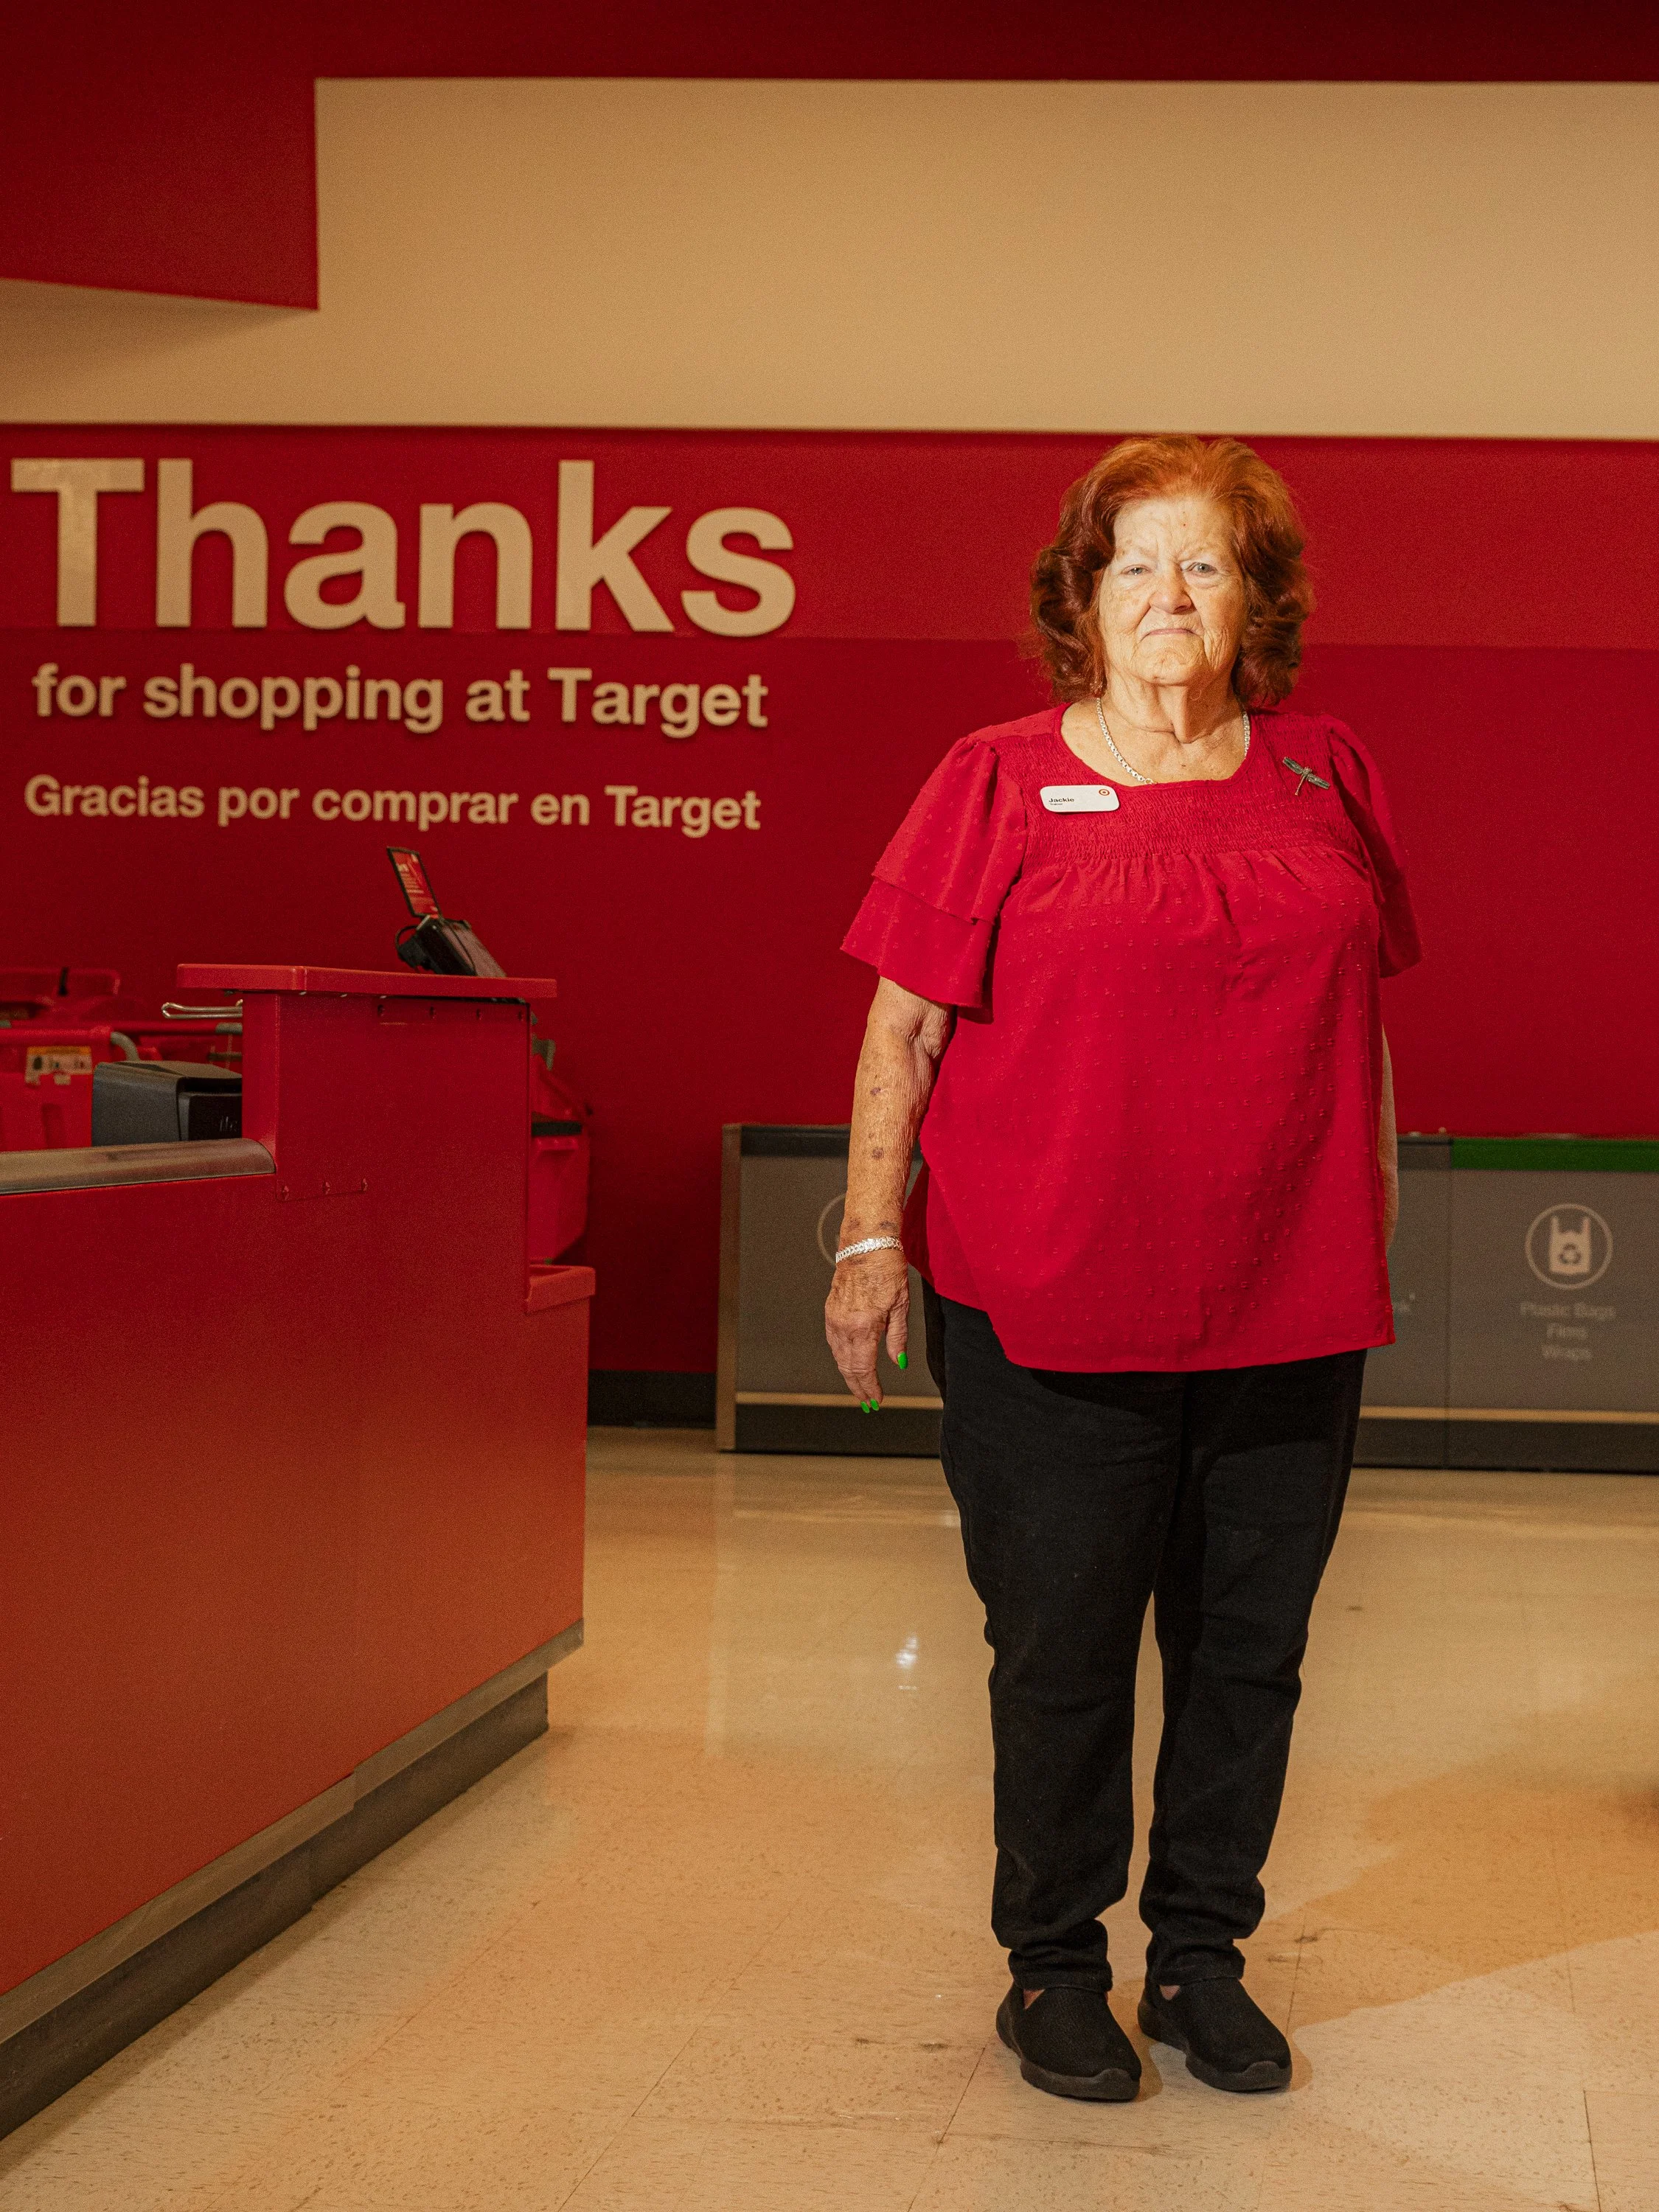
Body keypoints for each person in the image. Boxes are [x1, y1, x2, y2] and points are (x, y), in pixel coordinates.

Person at [824, 434, 1418, 2104]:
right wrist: (873, 1240)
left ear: (1258, 600)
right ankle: (1055, 1968)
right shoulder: (996, 778)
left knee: (1249, 1652)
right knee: (1062, 1653)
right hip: (1048, 1303)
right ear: (1081, 598)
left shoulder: (1328, 776)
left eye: (1208, 564)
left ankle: (1204, 1957)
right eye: (1134, 564)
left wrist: (1370, 1225)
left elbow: (1367, 1031)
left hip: (1287, 1303)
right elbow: (904, 1024)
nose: (1170, 596)